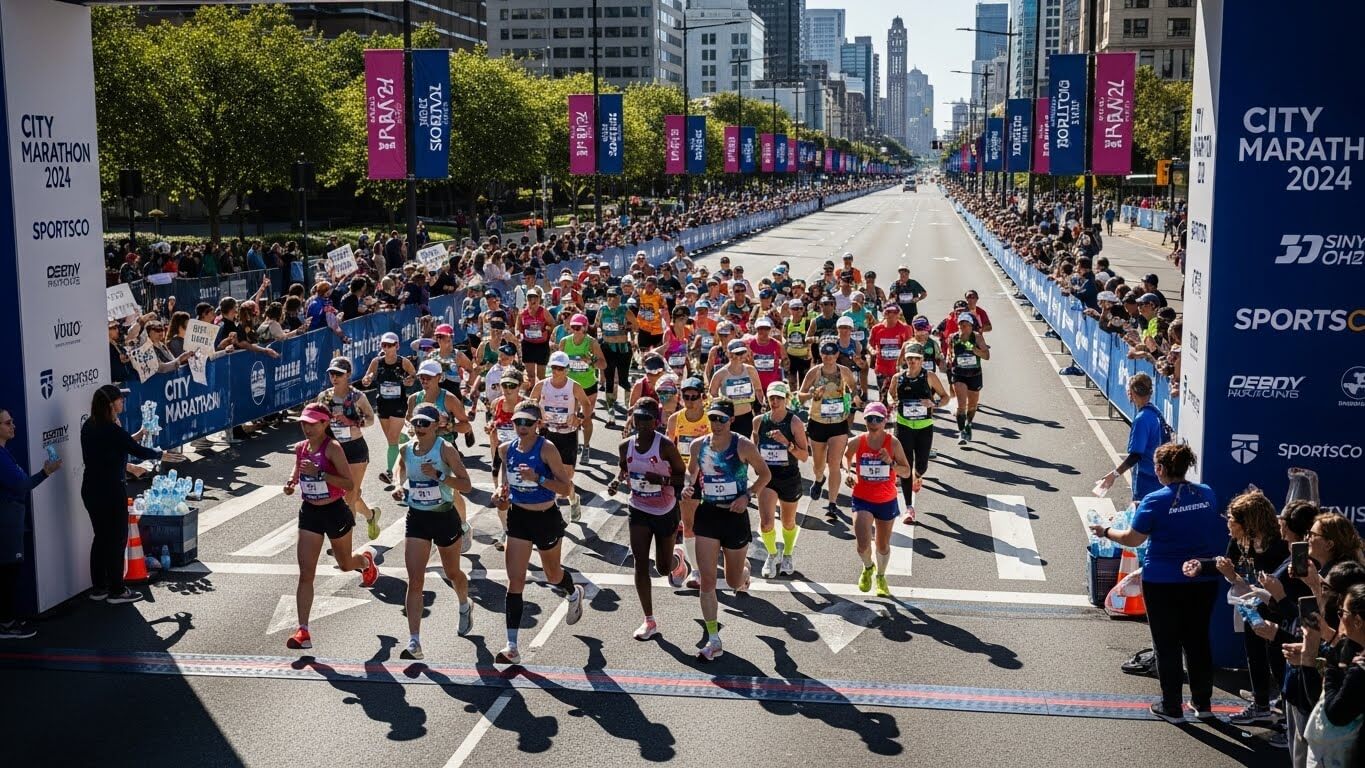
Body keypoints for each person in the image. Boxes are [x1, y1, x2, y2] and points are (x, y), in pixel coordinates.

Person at [1088, 443, 1224, 722]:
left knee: (1167, 644)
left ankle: (1172, 706)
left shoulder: (1155, 500)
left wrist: (1106, 531)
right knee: (1198, 641)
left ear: (1160, 469)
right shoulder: (1207, 493)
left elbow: (1133, 539)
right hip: (1203, 578)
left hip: (1163, 581)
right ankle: (1203, 704)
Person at [1180, 490, 1287, 725]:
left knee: (1279, 660)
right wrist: (1202, 565)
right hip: (1252, 605)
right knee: (1255, 654)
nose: (1227, 522)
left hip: (1280, 610)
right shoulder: (1240, 540)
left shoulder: (1280, 546)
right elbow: (1228, 565)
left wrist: (1240, 580)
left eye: (1232, 519)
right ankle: (1260, 704)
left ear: (1249, 522)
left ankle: (1285, 714)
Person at [493, 403, 586, 665]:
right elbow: (504, 481)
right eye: (517, 422)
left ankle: (573, 592)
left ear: (538, 424)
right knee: (515, 581)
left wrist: (538, 479)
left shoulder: (547, 449)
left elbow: (566, 489)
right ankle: (512, 646)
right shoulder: (505, 450)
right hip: (519, 518)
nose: (521, 427)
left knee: (552, 574)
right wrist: (500, 494)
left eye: (527, 422)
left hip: (545, 517)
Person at [282, 404, 380, 650]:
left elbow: (349, 484)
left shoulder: (333, 448)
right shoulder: (300, 448)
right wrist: (291, 482)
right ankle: (303, 631)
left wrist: (321, 473)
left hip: (335, 511)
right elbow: (297, 468)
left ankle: (365, 562)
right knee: (306, 573)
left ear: (325, 424)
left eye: (312, 423)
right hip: (310, 513)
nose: (307, 428)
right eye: (304, 423)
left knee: (346, 564)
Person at [683, 397, 771, 661]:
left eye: (722, 418)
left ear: (731, 420)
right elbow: (691, 472)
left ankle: (744, 572)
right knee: (708, 580)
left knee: (733, 581)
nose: (716, 423)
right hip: (708, 514)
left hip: (735, 517)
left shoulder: (743, 445)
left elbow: (765, 474)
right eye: (712, 418)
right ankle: (713, 638)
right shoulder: (699, 445)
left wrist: (749, 495)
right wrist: (689, 485)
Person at [81, 385, 184, 605]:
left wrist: (137, 436)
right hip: (110, 491)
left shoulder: (90, 426)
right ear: (111, 404)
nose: (123, 403)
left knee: (101, 538)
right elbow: (135, 450)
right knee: (117, 540)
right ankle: (117, 590)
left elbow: (120, 444)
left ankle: (99, 587)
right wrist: (160, 453)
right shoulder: (111, 429)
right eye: (120, 399)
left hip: (91, 489)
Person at [390, 404, 474, 660]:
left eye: (425, 423)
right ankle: (414, 641)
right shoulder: (407, 448)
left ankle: (464, 604)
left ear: (436, 425)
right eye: (416, 423)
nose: (419, 428)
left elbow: (467, 485)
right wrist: (398, 486)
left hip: (444, 516)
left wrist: (439, 475)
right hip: (417, 518)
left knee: (452, 573)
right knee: (415, 580)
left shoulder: (445, 449)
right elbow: (400, 469)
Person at [610, 398, 688, 641]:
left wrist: (662, 481)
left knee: (663, 567)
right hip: (639, 507)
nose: (642, 424)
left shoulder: (664, 446)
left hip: (665, 509)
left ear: (656, 421)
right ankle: (649, 620)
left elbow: (682, 478)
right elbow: (624, 469)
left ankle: (677, 560)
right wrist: (617, 481)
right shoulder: (625, 446)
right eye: (638, 418)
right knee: (640, 561)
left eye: (647, 420)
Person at [0, 409, 61, 639]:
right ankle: (6, 623)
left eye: (12, 421)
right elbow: (21, 485)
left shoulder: (5, 453)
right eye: (7, 423)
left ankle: (7, 619)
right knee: (7, 573)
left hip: (10, 521)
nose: (12, 425)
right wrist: (46, 472)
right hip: (6, 525)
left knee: (8, 572)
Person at [845, 403, 911, 597]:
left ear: (884, 421)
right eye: (869, 419)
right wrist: (847, 472)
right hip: (862, 498)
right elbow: (845, 456)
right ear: (864, 420)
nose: (873, 423)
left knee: (882, 545)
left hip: (885, 499)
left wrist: (891, 463)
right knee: (863, 544)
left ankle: (881, 576)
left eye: (877, 419)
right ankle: (868, 568)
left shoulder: (893, 443)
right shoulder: (858, 441)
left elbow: (906, 472)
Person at [317, 357, 381, 540]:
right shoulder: (324, 397)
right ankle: (371, 516)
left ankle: (345, 543)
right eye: (332, 374)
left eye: (339, 374)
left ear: (348, 375)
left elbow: (370, 419)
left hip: (355, 450)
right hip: (334, 450)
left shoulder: (357, 397)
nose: (334, 377)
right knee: (341, 494)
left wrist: (353, 422)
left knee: (350, 495)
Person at [754, 382, 809, 579]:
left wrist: (786, 443)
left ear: (786, 399)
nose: (775, 402)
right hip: (768, 477)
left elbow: (804, 456)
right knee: (766, 523)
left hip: (788, 476)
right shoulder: (759, 421)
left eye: (779, 398)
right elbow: (755, 447)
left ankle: (787, 554)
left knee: (787, 522)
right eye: (771, 398)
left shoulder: (794, 423)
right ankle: (771, 554)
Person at [800, 341, 860, 520]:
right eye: (824, 353)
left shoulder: (844, 371)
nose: (828, 357)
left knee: (834, 464)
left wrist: (854, 396)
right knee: (819, 465)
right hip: (817, 422)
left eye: (831, 353)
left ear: (836, 355)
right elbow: (800, 396)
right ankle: (819, 480)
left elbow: (853, 387)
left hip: (838, 423)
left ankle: (832, 504)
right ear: (820, 354)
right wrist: (812, 394)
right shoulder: (814, 372)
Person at [533, 351, 592, 521]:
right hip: (547, 433)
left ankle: (573, 499)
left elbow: (586, 405)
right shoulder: (541, 386)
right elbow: (530, 405)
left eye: (560, 368)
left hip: (567, 434)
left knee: (565, 478)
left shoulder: (573, 386)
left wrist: (579, 417)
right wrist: (537, 420)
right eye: (553, 367)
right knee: (549, 476)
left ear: (567, 369)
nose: (556, 371)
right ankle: (553, 511)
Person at [892, 343, 948, 524]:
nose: (912, 361)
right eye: (909, 358)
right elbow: (890, 395)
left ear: (922, 359)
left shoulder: (929, 376)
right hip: (903, 426)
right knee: (905, 466)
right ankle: (909, 508)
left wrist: (935, 404)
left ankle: (918, 476)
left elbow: (945, 397)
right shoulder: (898, 377)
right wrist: (892, 401)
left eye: (916, 358)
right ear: (905, 359)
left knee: (921, 466)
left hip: (924, 426)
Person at [1094, 372, 1165, 507]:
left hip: (1147, 478)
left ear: (1131, 393)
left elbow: (1136, 455)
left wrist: (1114, 475)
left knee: (1142, 517)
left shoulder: (1141, 419)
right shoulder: (1156, 412)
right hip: (1160, 477)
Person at [668, 376, 710, 590]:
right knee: (689, 524)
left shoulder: (711, 420)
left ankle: (691, 555)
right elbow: (670, 449)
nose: (691, 401)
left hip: (709, 475)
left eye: (695, 397)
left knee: (709, 524)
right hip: (685, 476)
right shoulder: (675, 419)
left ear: (703, 397)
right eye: (686, 397)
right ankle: (695, 569)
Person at [360, 332, 416, 486]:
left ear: (397, 346)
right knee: (392, 439)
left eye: (390, 345)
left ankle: (391, 473)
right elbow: (366, 379)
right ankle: (406, 440)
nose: (387, 348)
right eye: (384, 345)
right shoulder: (376, 362)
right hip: (383, 404)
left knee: (392, 441)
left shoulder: (403, 362)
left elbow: (414, 376)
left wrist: (409, 381)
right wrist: (367, 380)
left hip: (398, 404)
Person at [557, 314, 605, 463]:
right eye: (573, 327)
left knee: (586, 419)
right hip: (570, 386)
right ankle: (575, 443)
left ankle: (586, 446)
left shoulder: (591, 343)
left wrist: (591, 361)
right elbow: (558, 364)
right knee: (571, 418)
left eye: (579, 327)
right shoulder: (564, 342)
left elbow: (603, 365)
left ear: (585, 328)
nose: (576, 330)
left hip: (588, 386)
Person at [946, 313, 989, 446]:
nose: (963, 327)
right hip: (959, 374)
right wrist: (949, 359)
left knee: (972, 405)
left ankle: (969, 423)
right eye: (961, 324)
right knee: (961, 405)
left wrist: (973, 349)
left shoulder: (977, 337)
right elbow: (949, 353)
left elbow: (986, 356)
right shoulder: (953, 337)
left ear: (971, 326)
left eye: (966, 325)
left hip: (974, 374)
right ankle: (961, 432)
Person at [708, 339, 763, 438]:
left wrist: (762, 407)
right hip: (728, 418)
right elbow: (712, 393)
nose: (740, 356)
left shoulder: (751, 370)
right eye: (737, 353)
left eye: (742, 352)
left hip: (747, 415)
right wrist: (721, 406)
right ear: (729, 354)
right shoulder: (720, 374)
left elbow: (758, 389)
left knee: (745, 446)